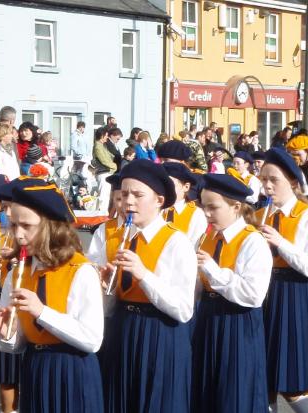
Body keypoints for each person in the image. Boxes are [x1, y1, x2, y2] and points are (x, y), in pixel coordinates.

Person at [0, 182, 104, 413]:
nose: (18, 234)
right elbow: (17, 345)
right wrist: (8, 335)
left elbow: (92, 339)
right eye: (14, 225)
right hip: (35, 366)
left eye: (27, 226)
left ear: (51, 227)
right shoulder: (16, 273)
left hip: (73, 369)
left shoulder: (80, 270)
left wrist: (42, 312)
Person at [100, 160, 197, 413]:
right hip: (122, 329)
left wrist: (144, 275)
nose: (128, 202)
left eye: (138, 195)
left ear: (159, 200)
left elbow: (183, 309)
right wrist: (104, 287)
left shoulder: (176, 241)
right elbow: (106, 307)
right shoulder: (115, 236)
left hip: (161, 333)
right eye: (124, 195)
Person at [257, 148, 308, 413]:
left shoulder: (307, 215)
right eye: (263, 179)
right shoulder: (260, 215)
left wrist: (280, 243)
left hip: (296, 295)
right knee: (262, 376)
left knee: (292, 380)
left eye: (273, 180)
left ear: (291, 181)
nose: (266, 185)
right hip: (266, 293)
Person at [193, 173, 272, 412]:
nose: (206, 214)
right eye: (204, 207)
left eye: (213, 208)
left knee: (235, 392)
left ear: (236, 206)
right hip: (208, 317)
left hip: (238, 321)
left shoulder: (252, 241)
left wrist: (212, 270)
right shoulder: (206, 237)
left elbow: (253, 294)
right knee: (207, 390)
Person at [0, 177, 46, 413]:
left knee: (33, 373)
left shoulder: (46, 245)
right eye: (6, 208)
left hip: (37, 308)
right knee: (7, 373)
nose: (9, 214)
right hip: (8, 308)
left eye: (12, 207)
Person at [161, 162, 207, 244]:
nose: (165, 188)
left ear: (186, 187)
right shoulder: (155, 209)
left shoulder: (196, 215)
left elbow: (194, 248)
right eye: (162, 184)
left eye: (171, 184)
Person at [92, 127, 117, 214]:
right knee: (103, 195)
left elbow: (111, 156)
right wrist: (114, 166)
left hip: (106, 172)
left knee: (106, 195)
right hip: (103, 173)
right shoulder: (98, 146)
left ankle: (104, 213)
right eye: (106, 135)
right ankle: (101, 214)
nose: (107, 137)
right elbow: (104, 160)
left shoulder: (102, 145)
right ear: (102, 136)